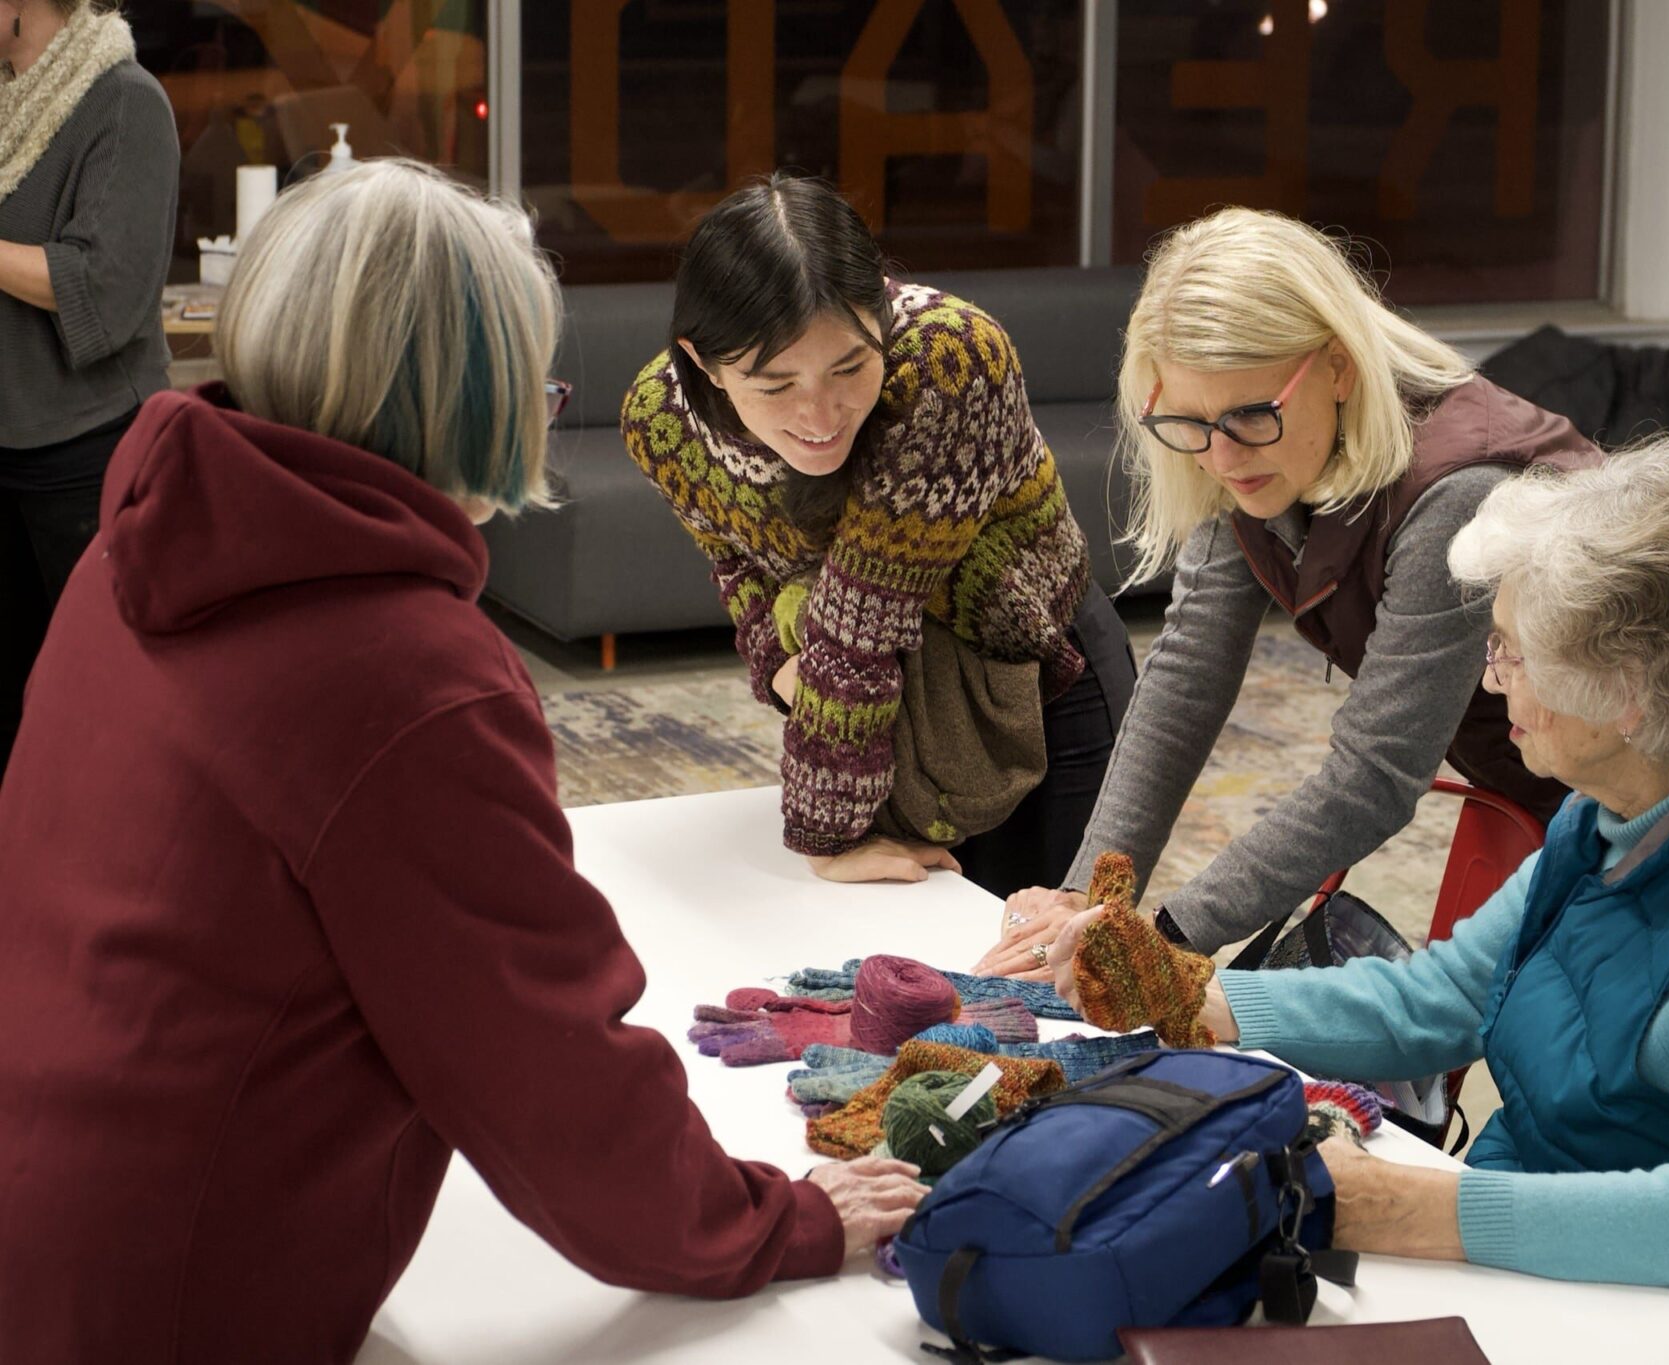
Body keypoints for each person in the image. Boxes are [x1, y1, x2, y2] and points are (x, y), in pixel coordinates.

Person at [0, 160, 925, 1364]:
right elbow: (547, 1076)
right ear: (474, 396)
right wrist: (778, 1222)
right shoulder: (399, 667)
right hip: (171, 1284)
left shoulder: (144, 541)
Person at [1048, 438, 1669, 1364]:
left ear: (1627, 692)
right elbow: (1450, 995)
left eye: (1513, 652)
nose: (1488, 678)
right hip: (1575, 1262)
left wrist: (1411, 1207)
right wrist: (1193, 1002)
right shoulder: (1647, 788)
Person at [978, 206, 1598, 978]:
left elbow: (1373, 774)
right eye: (1189, 423)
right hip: (1540, 776)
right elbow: (1184, 680)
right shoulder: (1247, 454)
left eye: (1250, 415)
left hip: (1661, 794)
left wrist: (1163, 940)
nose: (1222, 454)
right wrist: (1086, 895)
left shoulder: (1455, 494)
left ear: (1337, 366)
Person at [620, 173, 1135, 897]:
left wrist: (826, 833)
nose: (820, 412)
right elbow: (737, 565)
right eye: (775, 386)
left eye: (850, 365)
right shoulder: (663, 422)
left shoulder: (949, 361)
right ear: (704, 362)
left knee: (1047, 970)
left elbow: (862, 618)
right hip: (884, 713)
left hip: (1040, 678)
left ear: (883, 307)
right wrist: (774, 663)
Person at [0, 0, 177, 770]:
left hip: (87, 455)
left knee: (101, 707)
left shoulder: (126, 101)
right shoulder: (7, 99)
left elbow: (103, 288)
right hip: (8, 442)